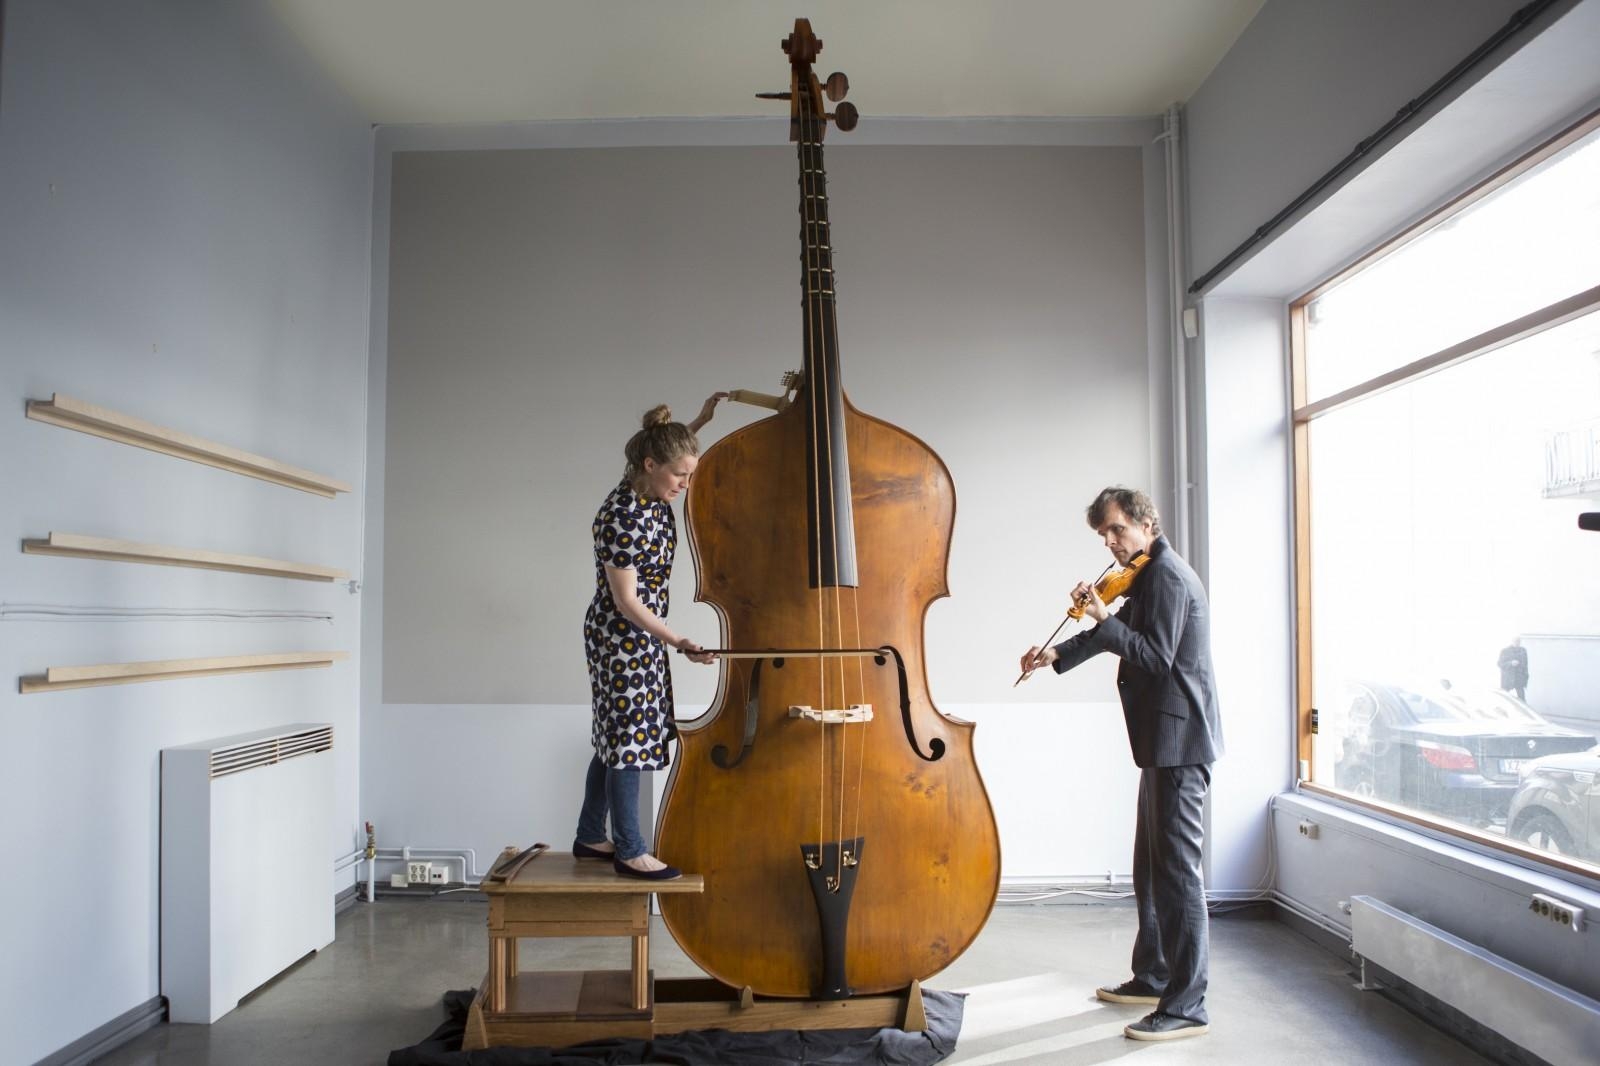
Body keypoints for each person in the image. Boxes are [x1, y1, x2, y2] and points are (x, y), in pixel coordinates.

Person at [1018, 486, 1224, 1042]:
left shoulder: (1168, 577)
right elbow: (1117, 633)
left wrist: (1103, 611)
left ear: (1144, 523)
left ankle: (1187, 1006)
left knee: (1178, 874)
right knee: (1149, 867)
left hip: (1180, 747)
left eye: (1116, 530)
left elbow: (1153, 654)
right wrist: (1055, 652)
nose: (1110, 543)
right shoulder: (1144, 574)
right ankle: (1154, 975)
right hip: (1161, 743)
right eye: (1103, 535)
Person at [575, 394, 726, 881]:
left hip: (640, 636)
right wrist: (680, 641)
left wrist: (701, 420)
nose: (687, 484)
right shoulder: (622, 515)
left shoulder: (650, 487)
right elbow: (627, 603)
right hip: (621, 635)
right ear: (649, 465)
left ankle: (588, 835)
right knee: (629, 743)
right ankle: (630, 850)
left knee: (615, 737)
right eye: (680, 475)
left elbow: (667, 442)